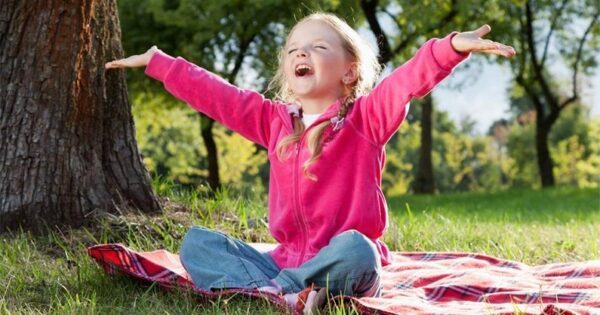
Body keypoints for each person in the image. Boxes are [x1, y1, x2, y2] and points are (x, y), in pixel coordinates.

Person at [105, 12, 515, 314]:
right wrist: (160, 62)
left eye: (319, 47)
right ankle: (289, 292)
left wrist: (449, 48)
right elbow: (218, 95)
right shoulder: (272, 121)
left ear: (350, 71)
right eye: (294, 49)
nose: (302, 52)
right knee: (197, 243)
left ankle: (272, 292)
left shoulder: (365, 120)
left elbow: (403, 83)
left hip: (343, 260)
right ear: (287, 69)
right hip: (283, 260)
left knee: (360, 250)